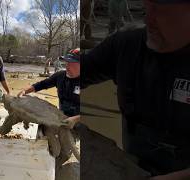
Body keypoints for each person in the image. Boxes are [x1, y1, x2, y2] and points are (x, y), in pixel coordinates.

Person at [73, 0, 190, 179]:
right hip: (132, 166)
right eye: (147, 7)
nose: (149, 19)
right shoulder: (127, 45)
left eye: (161, 10)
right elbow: (77, 74)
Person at [18, 48, 80, 117]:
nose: (67, 66)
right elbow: (42, 84)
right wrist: (24, 91)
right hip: (62, 115)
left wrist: (76, 119)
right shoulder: (60, 76)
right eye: (67, 62)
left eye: (72, 63)